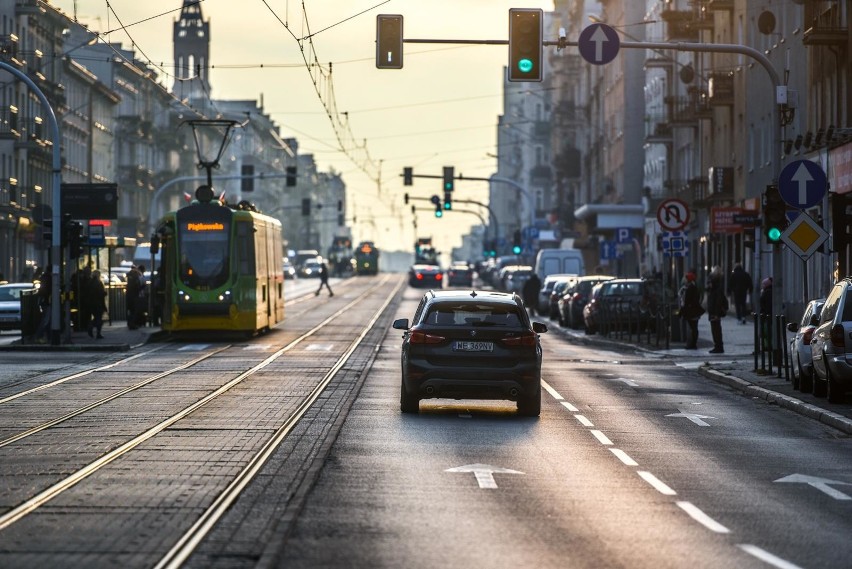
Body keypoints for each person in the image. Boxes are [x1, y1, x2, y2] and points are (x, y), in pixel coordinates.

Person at [679, 270, 703, 349]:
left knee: (693, 328)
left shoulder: (691, 288)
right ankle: (692, 344)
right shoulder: (692, 287)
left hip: (692, 312)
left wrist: (683, 311)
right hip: (693, 311)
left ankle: (692, 344)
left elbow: (687, 301)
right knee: (693, 328)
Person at [706, 265, 727, 354]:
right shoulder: (715, 288)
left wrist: (716, 313)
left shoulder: (716, 289)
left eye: (709, 282)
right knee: (715, 330)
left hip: (714, 313)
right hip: (713, 312)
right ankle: (718, 346)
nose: (708, 284)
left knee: (716, 330)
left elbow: (717, 302)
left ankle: (718, 346)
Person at [87, 270, 107, 339]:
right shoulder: (98, 283)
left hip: (92, 303)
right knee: (99, 319)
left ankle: (91, 327)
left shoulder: (90, 282)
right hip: (98, 303)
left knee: (97, 318)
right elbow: (100, 293)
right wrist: (104, 293)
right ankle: (96, 332)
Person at [125, 265, 142, 329]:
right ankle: (132, 324)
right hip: (134, 297)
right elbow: (137, 288)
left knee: (130, 311)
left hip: (129, 297)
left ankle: (130, 323)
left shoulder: (129, 281)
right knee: (133, 311)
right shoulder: (135, 280)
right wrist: (142, 286)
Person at [759, 277, 773, 351]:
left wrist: (765, 314)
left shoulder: (766, 293)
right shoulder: (771, 292)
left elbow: (765, 305)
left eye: (763, 284)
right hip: (768, 316)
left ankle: (767, 347)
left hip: (766, 316)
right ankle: (768, 346)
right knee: (767, 333)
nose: (762, 286)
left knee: (765, 333)